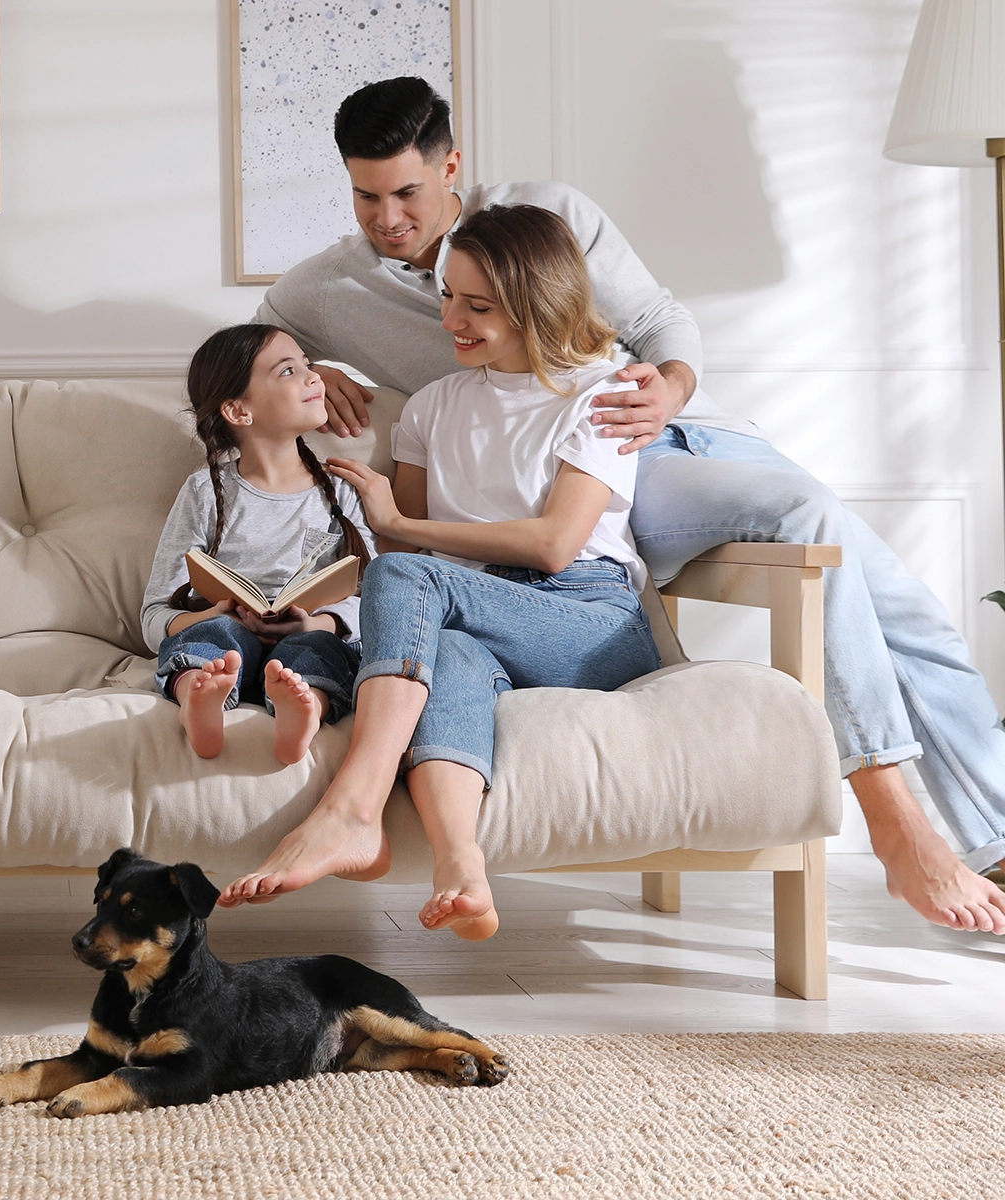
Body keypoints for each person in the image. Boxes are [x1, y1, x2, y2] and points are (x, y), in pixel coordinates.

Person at [254, 75, 1005, 934]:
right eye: (366, 195)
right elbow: (248, 346)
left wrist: (671, 391)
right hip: (571, 481)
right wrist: (322, 373)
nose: (388, 217)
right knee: (818, 531)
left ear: (450, 165)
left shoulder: (542, 216)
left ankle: (935, 829)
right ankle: (914, 830)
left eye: (407, 193)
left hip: (662, 439)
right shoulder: (334, 289)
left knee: (881, 587)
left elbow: (658, 320)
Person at [223, 204, 663, 938]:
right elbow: (406, 575)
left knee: (414, 581)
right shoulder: (430, 408)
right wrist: (325, 608)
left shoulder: (606, 396)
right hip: (477, 616)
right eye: (448, 297)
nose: (451, 318)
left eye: (478, 305)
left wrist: (395, 525)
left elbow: (557, 544)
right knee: (446, 653)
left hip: (588, 620)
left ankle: (353, 808)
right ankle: (462, 865)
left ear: (535, 303)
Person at [140, 324, 375, 766]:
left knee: (319, 653)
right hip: (228, 641)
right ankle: (198, 697)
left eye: (308, 364)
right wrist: (213, 613)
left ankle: (305, 711)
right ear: (238, 411)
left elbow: (377, 603)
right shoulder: (204, 492)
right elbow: (154, 615)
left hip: (307, 637)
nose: (314, 377)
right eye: (289, 370)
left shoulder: (339, 490)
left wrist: (318, 625)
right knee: (213, 636)